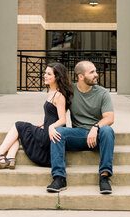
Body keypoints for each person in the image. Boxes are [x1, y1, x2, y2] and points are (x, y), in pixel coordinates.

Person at [0, 62, 71, 169]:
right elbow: (53, 114)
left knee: (18, 125)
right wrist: (45, 123)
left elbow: (62, 120)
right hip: (46, 131)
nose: (45, 76)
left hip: (48, 136)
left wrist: (51, 126)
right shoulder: (51, 92)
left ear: (57, 77)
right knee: (18, 132)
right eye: (45, 73)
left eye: (49, 74)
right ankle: (10, 157)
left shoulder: (59, 95)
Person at [46, 60, 115, 195]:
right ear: (80, 76)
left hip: (97, 136)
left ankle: (104, 177)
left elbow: (109, 118)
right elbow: (59, 114)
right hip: (78, 136)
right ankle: (59, 178)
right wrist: (48, 125)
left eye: (95, 71)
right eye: (92, 72)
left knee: (107, 130)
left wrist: (95, 128)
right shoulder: (70, 92)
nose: (96, 74)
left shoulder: (102, 93)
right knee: (57, 131)